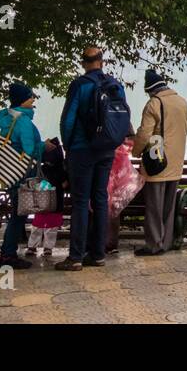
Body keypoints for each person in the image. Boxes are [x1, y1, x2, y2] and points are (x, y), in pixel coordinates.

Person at [56, 46, 131, 271]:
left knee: (80, 201)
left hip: (82, 149)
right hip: (106, 149)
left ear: (83, 63)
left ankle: (76, 256)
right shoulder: (114, 84)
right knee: (100, 199)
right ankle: (98, 254)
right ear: (101, 61)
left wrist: (68, 147)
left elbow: (68, 119)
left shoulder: (80, 85)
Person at [131, 68, 187, 256]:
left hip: (157, 163)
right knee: (168, 206)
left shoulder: (153, 104)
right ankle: (166, 243)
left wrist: (136, 151)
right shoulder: (181, 101)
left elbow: (144, 134)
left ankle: (153, 245)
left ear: (150, 89)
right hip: (175, 164)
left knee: (153, 207)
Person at [0, 81, 46, 270]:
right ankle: (7, 255)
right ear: (22, 100)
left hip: (11, 172)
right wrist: (45, 146)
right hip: (23, 173)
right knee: (18, 215)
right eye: (30, 96)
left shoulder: (7, 117)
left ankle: (7, 252)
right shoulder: (23, 121)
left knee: (17, 213)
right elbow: (30, 150)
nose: (32, 99)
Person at [26, 138, 66, 258]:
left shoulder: (41, 169)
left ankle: (32, 246)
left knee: (37, 226)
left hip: (42, 204)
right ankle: (47, 248)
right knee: (51, 227)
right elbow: (64, 184)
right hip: (54, 204)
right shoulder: (62, 170)